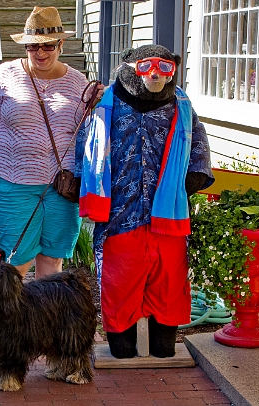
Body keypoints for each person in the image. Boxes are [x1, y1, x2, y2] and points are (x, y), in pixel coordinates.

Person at [76, 44, 214, 359]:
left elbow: (198, 137)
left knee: (169, 282)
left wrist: (196, 173)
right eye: (147, 66)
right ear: (130, 68)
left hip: (168, 215)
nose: (155, 73)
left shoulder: (181, 105)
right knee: (118, 281)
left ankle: (163, 347)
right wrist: (81, 180)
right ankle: (122, 349)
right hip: (119, 213)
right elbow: (87, 143)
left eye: (165, 67)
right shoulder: (105, 103)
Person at [0, 6, 96, 279]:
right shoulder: (4, 76)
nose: (40, 53)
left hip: (62, 185)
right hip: (14, 182)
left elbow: (89, 132)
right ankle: (9, 322)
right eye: (32, 47)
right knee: (16, 260)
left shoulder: (77, 82)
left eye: (47, 46)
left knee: (52, 259)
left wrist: (99, 104)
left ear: (61, 44)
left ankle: (42, 321)